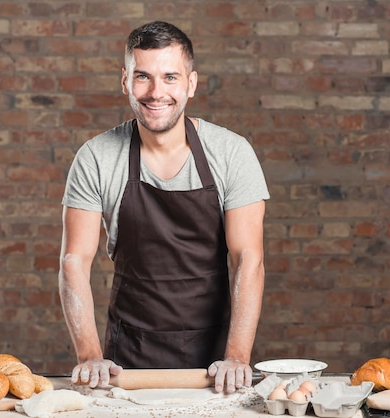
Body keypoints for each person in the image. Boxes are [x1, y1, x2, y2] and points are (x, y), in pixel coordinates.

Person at [58, 20, 269, 393]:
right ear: (125, 81)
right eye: (143, 76)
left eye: (170, 77)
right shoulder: (96, 157)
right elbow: (74, 261)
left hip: (218, 361)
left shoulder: (232, 153)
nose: (156, 92)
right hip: (127, 360)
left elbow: (247, 259)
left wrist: (237, 356)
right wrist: (89, 355)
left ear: (191, 83)